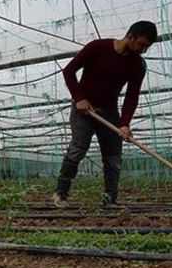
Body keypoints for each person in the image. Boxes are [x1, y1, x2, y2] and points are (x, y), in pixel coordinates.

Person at [53, 21, 157, 208]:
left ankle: (110, 199)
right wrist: (79, 98)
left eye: (147, 47)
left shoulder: (137, 65)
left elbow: (131, 97)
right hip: (83, 110)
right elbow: (69, 71)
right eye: (142, 44)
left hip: (109, 112)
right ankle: (61, 193)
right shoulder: (97, 48)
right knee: (78, 149)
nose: (143, 50)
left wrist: (124, 124)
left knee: (113, 157)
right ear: (130, 36)